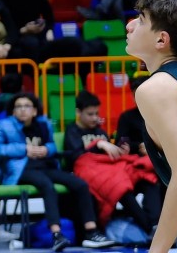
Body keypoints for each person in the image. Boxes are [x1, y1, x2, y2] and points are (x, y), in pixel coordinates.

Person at [0, 92, 115, 250]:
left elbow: (52, 145)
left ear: (34, 110)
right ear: (13, 111)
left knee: (80, 184)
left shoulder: (43, 123)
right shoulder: (4, 125)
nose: (22, 110)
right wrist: (24, 149)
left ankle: (91, 232)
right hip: (20, 169)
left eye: (26, 106)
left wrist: (46, 150)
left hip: (45, 165)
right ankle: (56, 235)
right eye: (18, 107)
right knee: (47, 186)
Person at [124, 0, 177, 253]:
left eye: (140, 19)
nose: (130, 25)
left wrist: (157, 251)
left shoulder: (156, 88)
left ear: (161, 39)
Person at [62, 91, 160, 232]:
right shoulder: (72, 131)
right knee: (119, 187)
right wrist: (98, 144)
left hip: (112, 172)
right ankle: (149, 228)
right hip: (92, 175)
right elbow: (76, 159)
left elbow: (109, 159)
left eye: (97, 113)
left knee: (148, 178)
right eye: (90, 114)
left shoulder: (100, 132)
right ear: (78, 112)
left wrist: (121, 152)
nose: (95, 118)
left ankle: (156, 223)